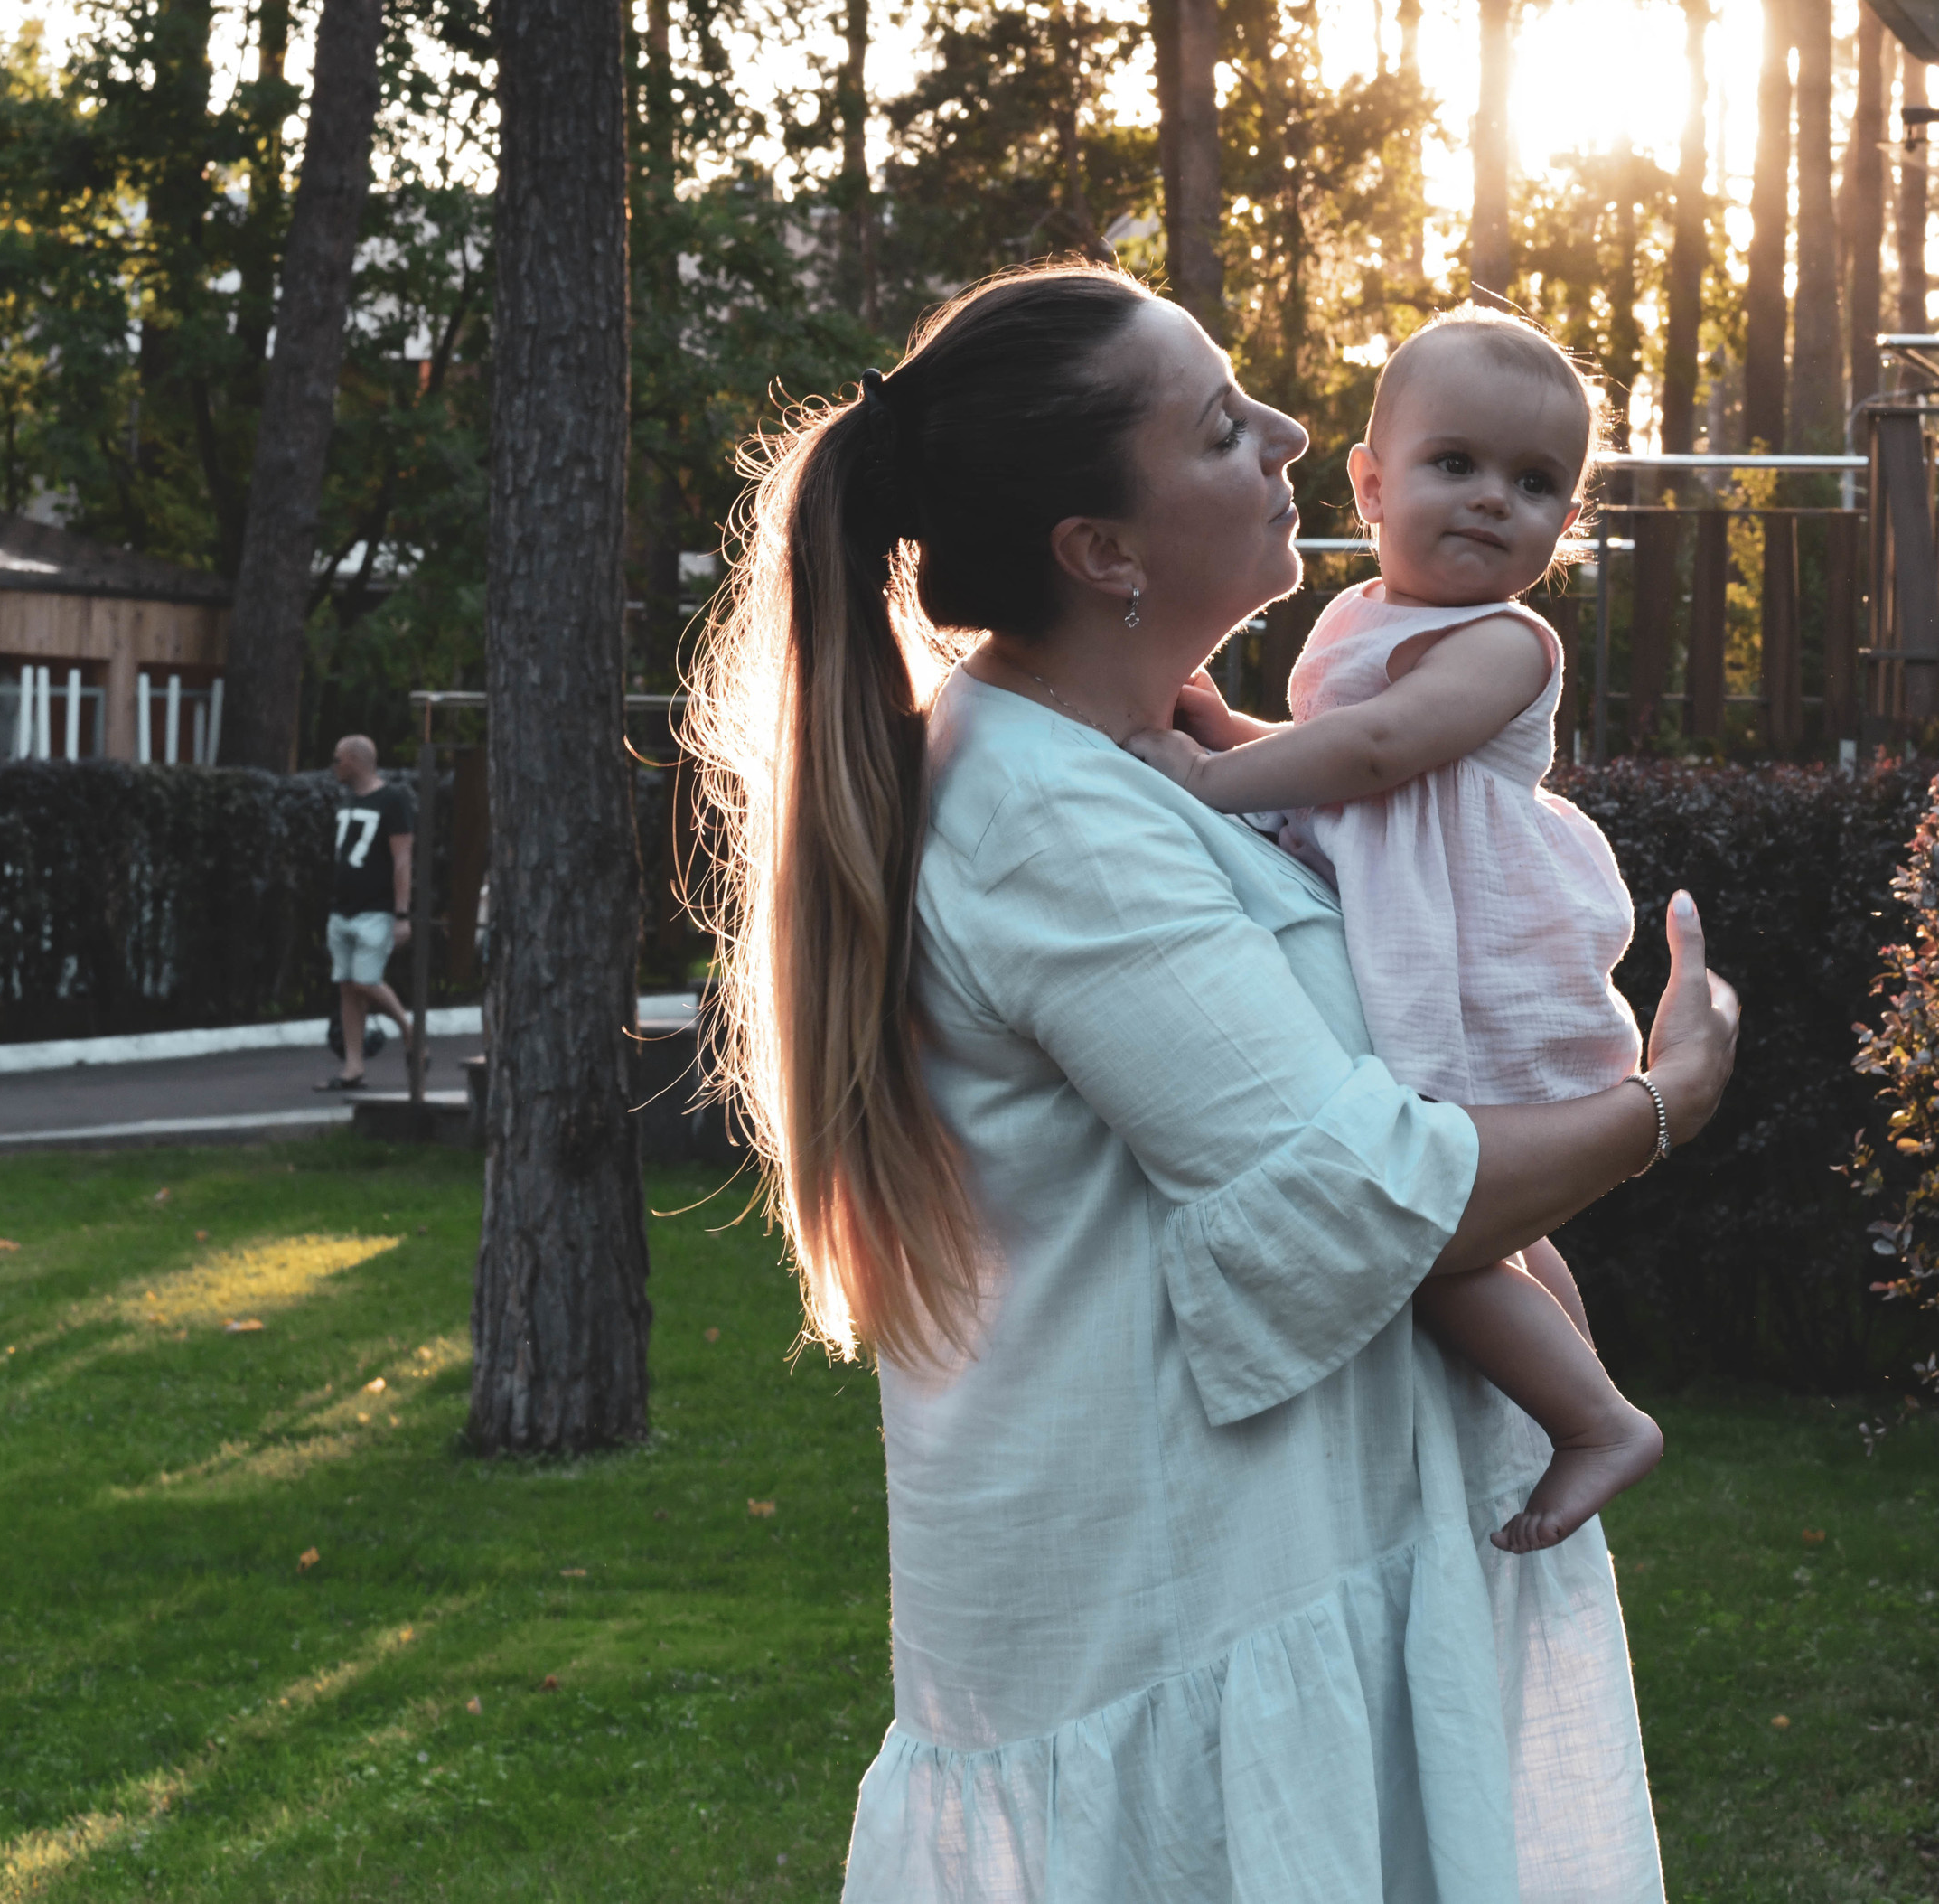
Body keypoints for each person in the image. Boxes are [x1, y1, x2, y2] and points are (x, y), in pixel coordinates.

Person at [685, 261, 1738, 1899]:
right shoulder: (1051, 818)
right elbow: (1364, 1193)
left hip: (1283, 1581)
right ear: (1102, 551)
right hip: (1193, 1629)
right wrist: (1667, 1094)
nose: (1297, 433)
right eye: (1222, 425)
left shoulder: (1132, 767)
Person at [1126, 306, 1659, 1555]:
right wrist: (1223, 727)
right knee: (1495, 1224)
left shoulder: (1506, 644)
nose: (1490, 500)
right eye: (1455, 463)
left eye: (1534, 485)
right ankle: (1577, 1390)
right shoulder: (1362, 618)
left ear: (1565, 529)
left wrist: (1205, 776)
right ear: (1371, 482)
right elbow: (1334, 770)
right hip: (1416, 918)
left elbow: (1376, 751)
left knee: (1428, 1224)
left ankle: (1593, 1416)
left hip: (1475, 954)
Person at [318, 733, 415, 1092]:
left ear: (356, 761)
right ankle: (353, 1066)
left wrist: (402, 914)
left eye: (338, 759)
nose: (334, 766)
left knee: (365, 980)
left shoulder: (392, 800)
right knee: (347, 987)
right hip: (342, 908)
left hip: (376, 909)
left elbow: (402, 858)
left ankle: (410, 1032)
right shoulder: (347, 800)